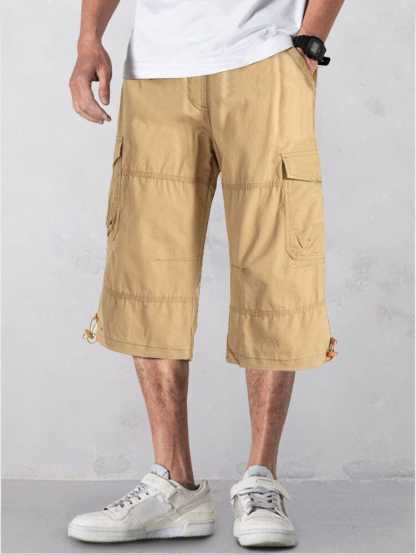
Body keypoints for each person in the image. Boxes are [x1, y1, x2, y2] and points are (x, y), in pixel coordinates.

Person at [68, 0, 343, 547]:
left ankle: (261, 479)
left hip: (265, 58)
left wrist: (310, 40)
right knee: (147, 273)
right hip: (156, 70)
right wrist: (88, 39)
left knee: (276, 267)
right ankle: (174, 485)